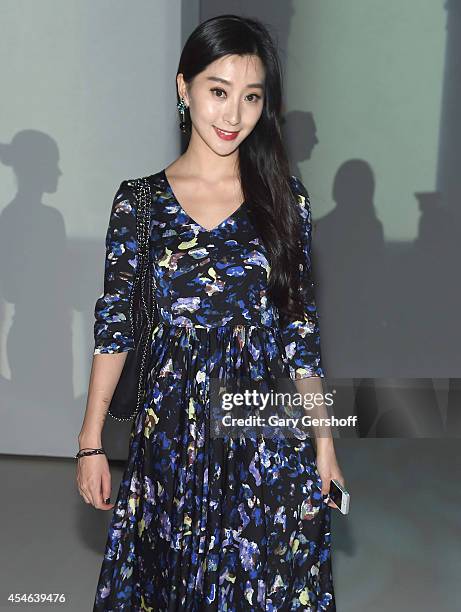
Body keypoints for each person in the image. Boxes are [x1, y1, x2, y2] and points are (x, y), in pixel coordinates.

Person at [77, 14, 345, 611]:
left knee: (266, 584)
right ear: (184, 87)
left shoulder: (284, 200)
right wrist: (92, 440)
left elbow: (298, 329)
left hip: (264, 430)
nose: (233, 115)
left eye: (251, 97)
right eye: (218, 91)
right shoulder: (140, 203)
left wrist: (325, 442)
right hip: (172, 436)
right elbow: (115, 323)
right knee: (174, 585)